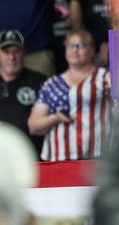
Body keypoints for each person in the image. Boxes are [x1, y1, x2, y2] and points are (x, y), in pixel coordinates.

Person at [27, 30, 112, 161]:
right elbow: (33, 126)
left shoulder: (104, 77)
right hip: (60, 160)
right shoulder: (52, 84)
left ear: (92, 50)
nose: (74, 50)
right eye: (70, 45)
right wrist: (56, 118)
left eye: (81, 46)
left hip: (96, 158)